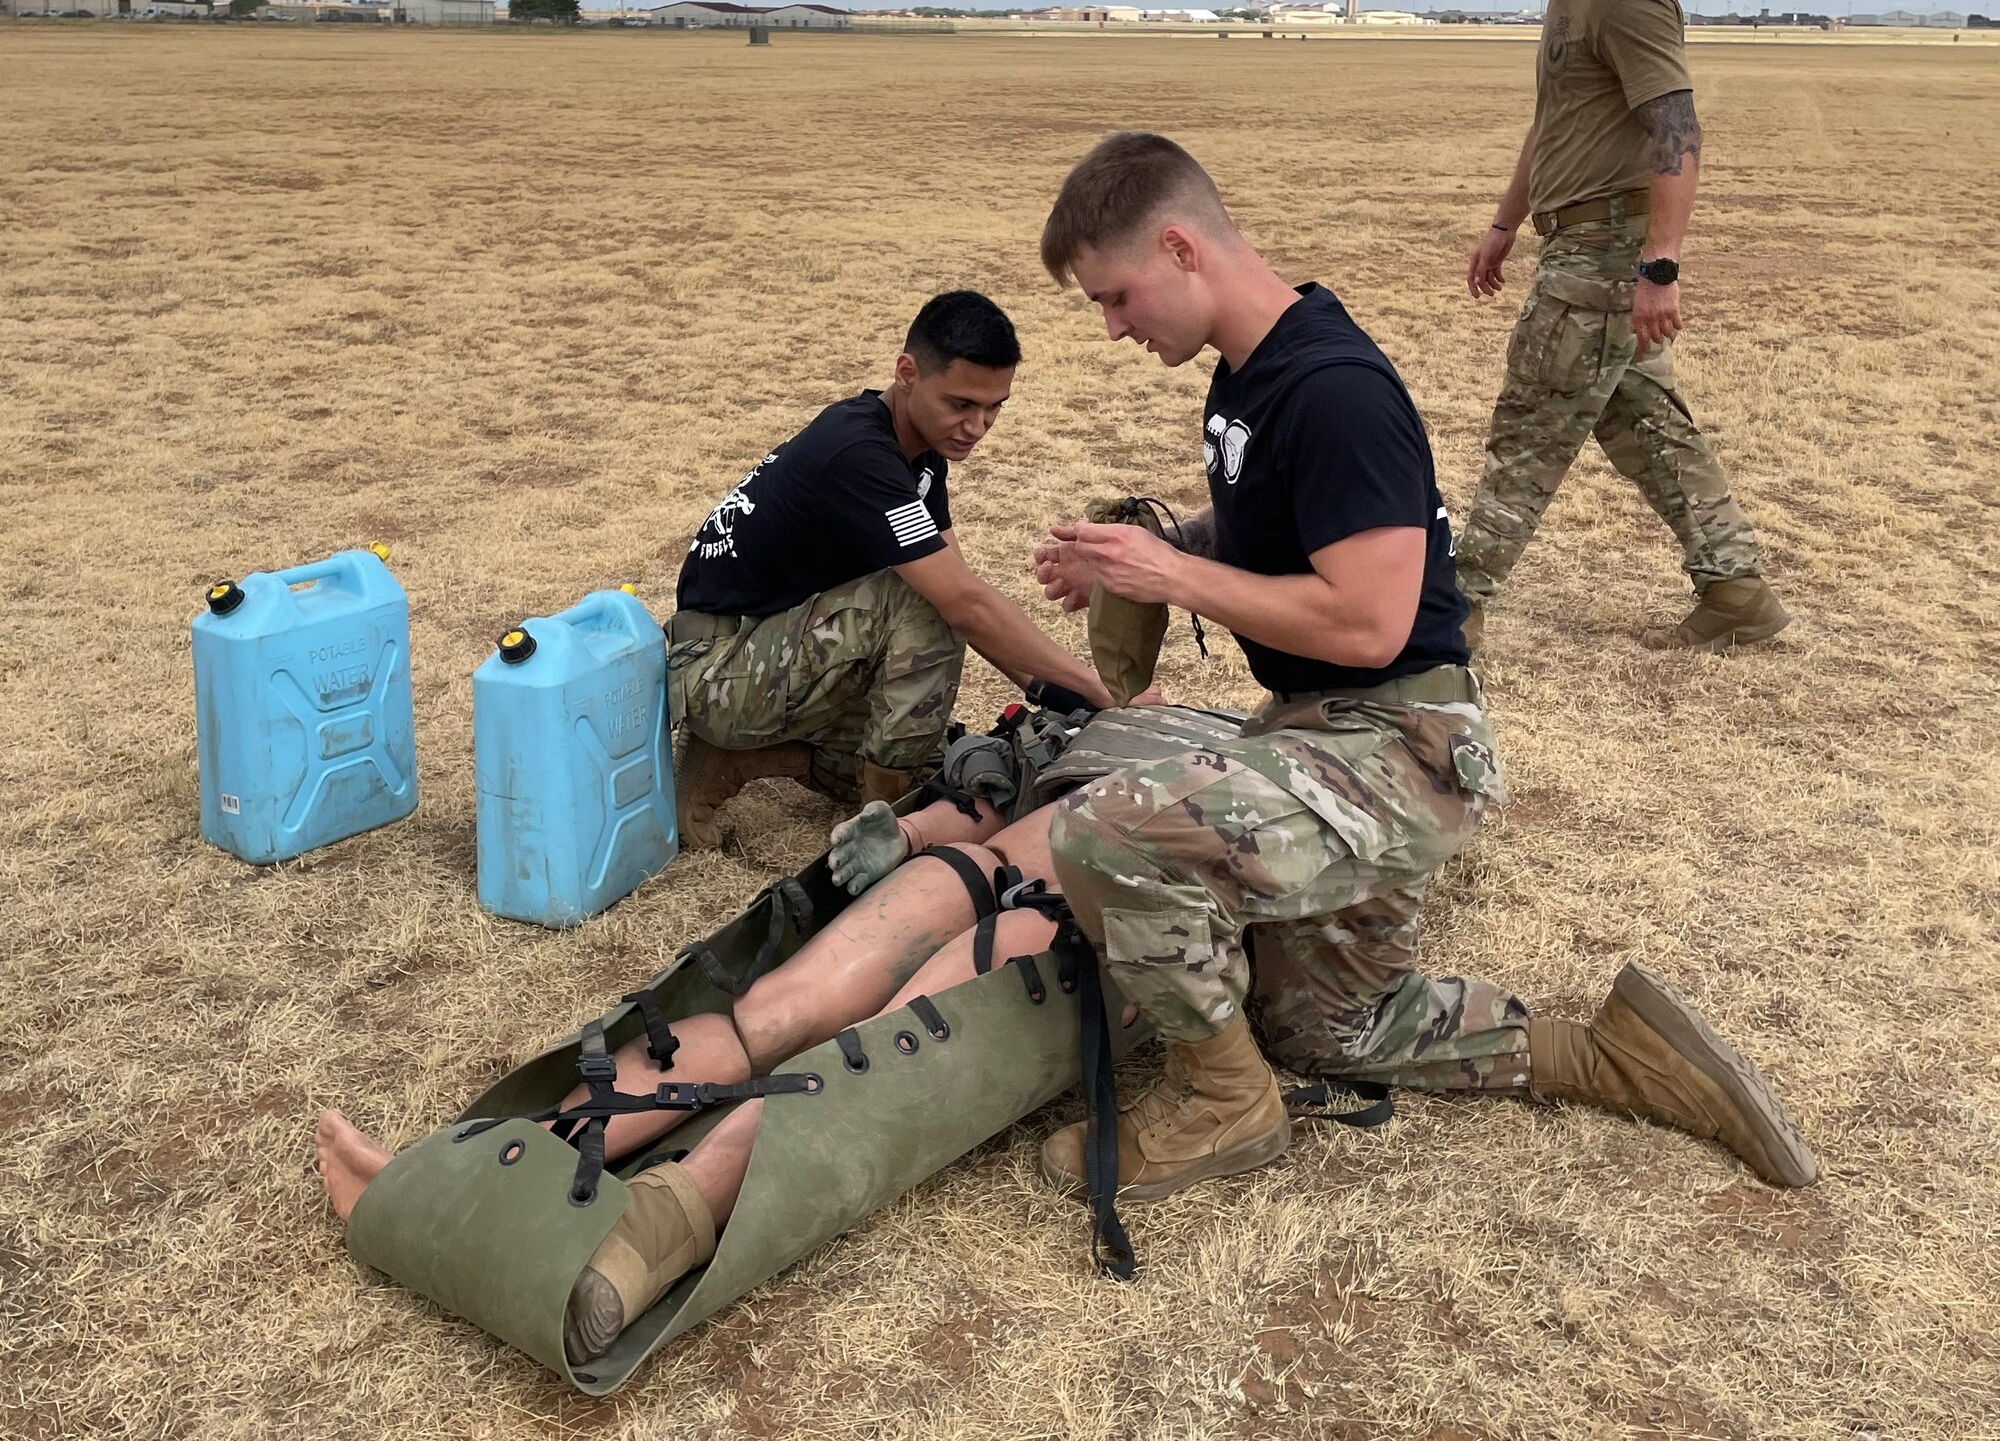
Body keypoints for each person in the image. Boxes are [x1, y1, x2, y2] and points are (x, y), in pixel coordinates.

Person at [1015, 131, 1814, 1204]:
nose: (1113, 327)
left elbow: (1370, 624)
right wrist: (1152, 548)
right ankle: (1603, 1054)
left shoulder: (1332, 389)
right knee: (1324, 1031)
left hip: (1402, 746)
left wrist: (1175, 577)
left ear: (1178, 248)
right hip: (1325, 728)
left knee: (1103, 832)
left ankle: (1221, 1106)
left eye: (1115, 296)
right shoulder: (1250, 378)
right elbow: (1278, 531)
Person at [315, 785, 1048, 1368]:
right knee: (773, 1016)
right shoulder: (1109, 719)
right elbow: (1002, 778)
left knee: (901, 1030)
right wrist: (919, 830)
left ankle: (645, 1235)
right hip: (1006, 856)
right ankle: (496, 1166)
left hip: (1105, 907)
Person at [1453, 0, 1790, 653]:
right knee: (1644, 422)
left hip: (1605, 250)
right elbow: (1554, 123)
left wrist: (1659, 268)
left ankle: (1453, 607)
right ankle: (1736, 590)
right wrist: (1505, 223)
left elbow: (1676, 132)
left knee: (1530, 420)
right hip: (1576, 238)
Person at [668, 290, 1116, 843]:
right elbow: (962, 604)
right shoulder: (857, 451)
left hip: (767, 650)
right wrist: (1099, 695)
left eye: (994, 407)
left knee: (945, 768)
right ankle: (886, 832)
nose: (978, 425)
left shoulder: (919, 453)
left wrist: (1058, 697)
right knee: (922, 609)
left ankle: (742, 759)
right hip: (717, 671)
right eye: (960, 404)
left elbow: (964, 586)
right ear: (907, 372)